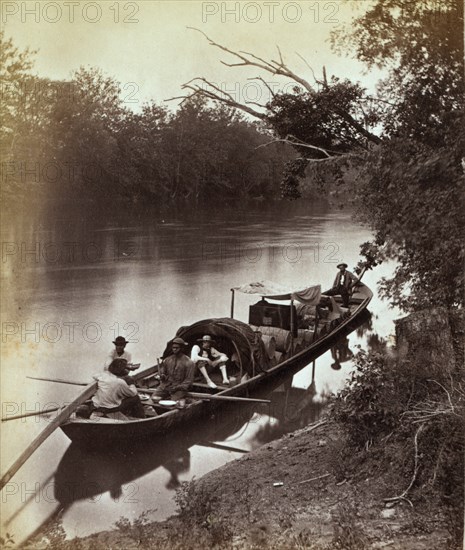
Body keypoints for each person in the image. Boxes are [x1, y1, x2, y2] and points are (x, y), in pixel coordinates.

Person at [78, 358, 145, 418]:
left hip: (97, 405)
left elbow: (94, 376)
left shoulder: (102, 375)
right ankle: (141, 418)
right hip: (109, 409)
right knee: (135, 398)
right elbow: (133, 393)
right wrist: (131, 383)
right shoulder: (120, 382)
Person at [152, 337, 195, 407]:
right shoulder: (167, 360)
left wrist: (177, 388)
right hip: (166, 386)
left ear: (182, 348)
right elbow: (164, 373)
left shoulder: (189, 362)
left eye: (176, 348)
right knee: (154, 398)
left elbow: (188, 381)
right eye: (173, 348)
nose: (174, 349)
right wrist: (162, 376)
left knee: (173, 403)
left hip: (179, 389)